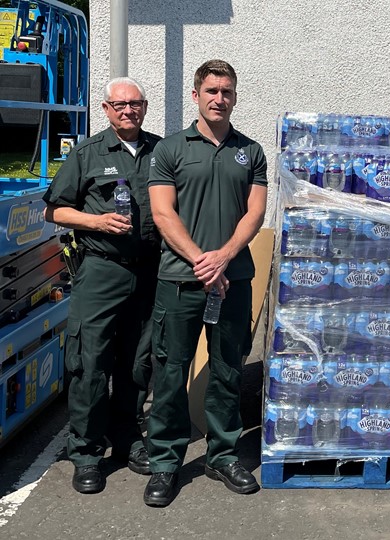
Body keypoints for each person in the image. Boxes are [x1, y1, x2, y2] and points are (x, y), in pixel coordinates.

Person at [143, 59, 268, 507]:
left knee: (227, 370)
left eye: (228, 91)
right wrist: (201, 260)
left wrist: (224, 257)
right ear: (196, 95)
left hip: (232, 280)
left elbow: (255, 213)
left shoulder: (250, 151)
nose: (220, 98)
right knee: (171, 373)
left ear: (236, 96)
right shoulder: (171, 149)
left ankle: (223, 454)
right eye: (212, 90)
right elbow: (162, 213)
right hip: (180, 281)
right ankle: (164, 463)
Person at [43, 77, 161, 494]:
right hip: (100, 269)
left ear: (144, 108)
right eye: (119, 104)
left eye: (135, 104)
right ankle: (87, 452)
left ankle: (127, 438)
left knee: (137, 361)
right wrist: (95, 221)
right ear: (107, 110)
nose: (128, 110)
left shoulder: (160, 151)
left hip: (148, 271)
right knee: (89, 364)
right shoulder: (88, 153)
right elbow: (54, 211)